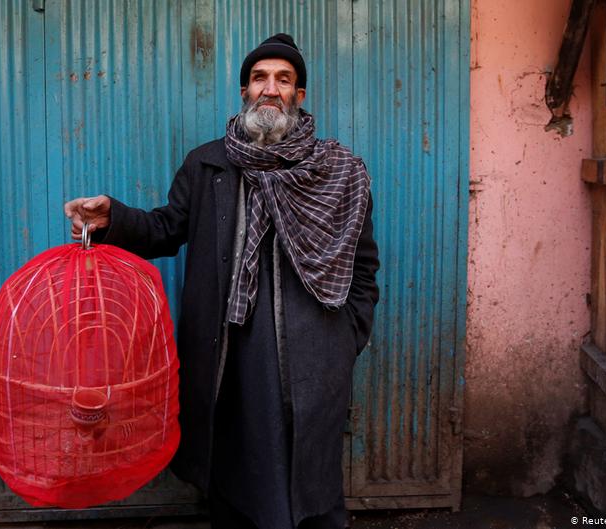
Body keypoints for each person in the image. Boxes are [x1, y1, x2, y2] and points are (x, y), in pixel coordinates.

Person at [64, 33, 380, 529]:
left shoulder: (335, 171)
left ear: (299, 95)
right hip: (230, 356)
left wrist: (347, 336)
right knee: (234, 481)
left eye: (284, 79)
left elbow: (362, 265)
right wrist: (113, 219)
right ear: (244, 93)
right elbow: (167, 228)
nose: (270, 89)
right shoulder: (208, 163)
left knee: (311, 487)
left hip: (312, 356)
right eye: (259, 78)